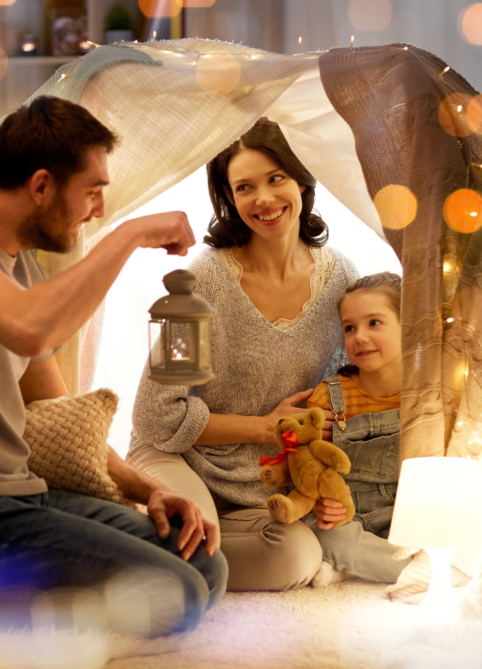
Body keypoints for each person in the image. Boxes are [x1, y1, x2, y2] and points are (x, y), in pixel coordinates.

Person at [0, 97, 227, 636]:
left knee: (202, 565)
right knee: (175, 596)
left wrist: (148, 490)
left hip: (14, 499)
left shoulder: (19, 268)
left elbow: (55, 408)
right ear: (41, 186)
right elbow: (27, 327)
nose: (98, 209)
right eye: (92, 192)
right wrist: (130, 235)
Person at [129, 118, 359, 591]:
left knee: (296, 557)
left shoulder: (341, 281)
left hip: (265, 483)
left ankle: (160, 545)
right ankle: (155, 536)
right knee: (196, 529)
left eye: (276, 179)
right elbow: (156, 415)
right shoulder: (202, 282)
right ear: (230, 199)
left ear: (302, 180)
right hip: (178, 456)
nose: (264, 199)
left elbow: (345, 390)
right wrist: (263, 428)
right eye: (244, 187)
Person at [305, 272, 413, 587]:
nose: (359, 337)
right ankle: (399, 568)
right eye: (349, 328)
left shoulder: (425, 393)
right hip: (346, 513)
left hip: (405, 508)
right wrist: (321, 502)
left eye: (374, 323)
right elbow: (307, 466)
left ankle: (351, 567)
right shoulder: (329, 395)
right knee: (325, 536)